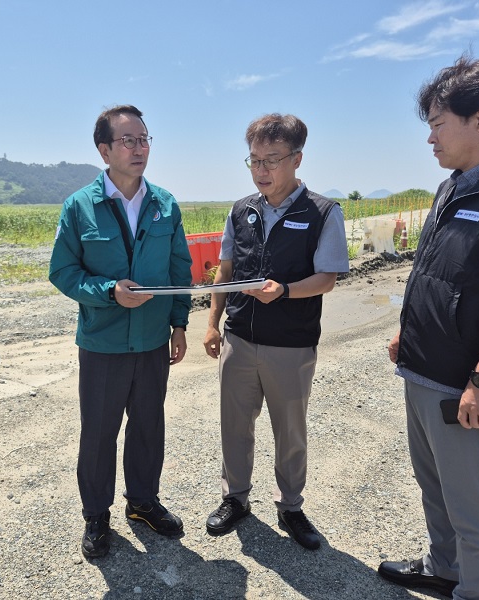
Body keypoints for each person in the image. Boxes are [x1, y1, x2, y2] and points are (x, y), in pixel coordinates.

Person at [378, 56, 479, 600]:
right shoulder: (452, 188)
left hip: (466, 385)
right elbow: (435, 274)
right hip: (423, 369)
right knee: (436, 489)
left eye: (437, 123)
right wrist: (411, 334)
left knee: (474, 506)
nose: (430, 138)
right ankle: (443, 567)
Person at [49, 105, 192, 559]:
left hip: (151, 340)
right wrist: (109, 291)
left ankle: (144, 503)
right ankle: (96, 515)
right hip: (103, 343)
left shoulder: (164, 203)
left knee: (149, 425)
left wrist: (180, 323)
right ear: (104, 150)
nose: (139, 149)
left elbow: (179, 269)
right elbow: (63, 272)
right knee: (99, 432)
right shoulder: (79, 206)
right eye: (128, 141)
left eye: (144, 139)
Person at [202, 114, 349, 550]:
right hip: (240, 339)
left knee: (290, 430)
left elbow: (327, 278)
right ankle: (235, 498)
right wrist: (212, 324)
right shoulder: (241, 210)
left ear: (297, 159)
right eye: (254, 161)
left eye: (272, 160)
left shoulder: (322, 212)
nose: (261, 171)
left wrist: (284, 291)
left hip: (291, 345)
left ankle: (290, 506)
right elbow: (224, 271)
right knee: (235, 425)